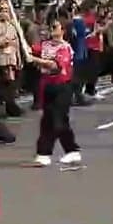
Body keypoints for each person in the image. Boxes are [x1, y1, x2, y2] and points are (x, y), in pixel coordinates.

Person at [29, 17, 82, 167]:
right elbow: (31, 49)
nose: (52, 29)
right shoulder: (44, 45)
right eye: (51, 26)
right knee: (48, 119)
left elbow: (55, 66)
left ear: (63, 31)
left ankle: (56, 151)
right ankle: (60, 152)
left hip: (63, 87)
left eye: (56, 27)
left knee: (57, 119)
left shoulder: (65, 48)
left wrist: (34, 59)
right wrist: (26, 50)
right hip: (47, 86)